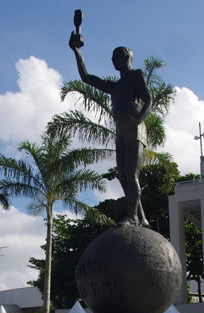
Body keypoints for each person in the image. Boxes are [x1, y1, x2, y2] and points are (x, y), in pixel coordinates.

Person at [70, 33, 152, 226]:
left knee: (132, 174)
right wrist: (76, 51)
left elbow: (148, 99)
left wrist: (139, 119)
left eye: (117, 56)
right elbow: (87, 78)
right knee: (123, 175)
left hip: (134, 128)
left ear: (127, 58)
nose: (113, 60)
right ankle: (141, 217)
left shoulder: (135, 75)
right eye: (112, 58)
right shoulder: (115, 86)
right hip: (121, 130)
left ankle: (133, 217)